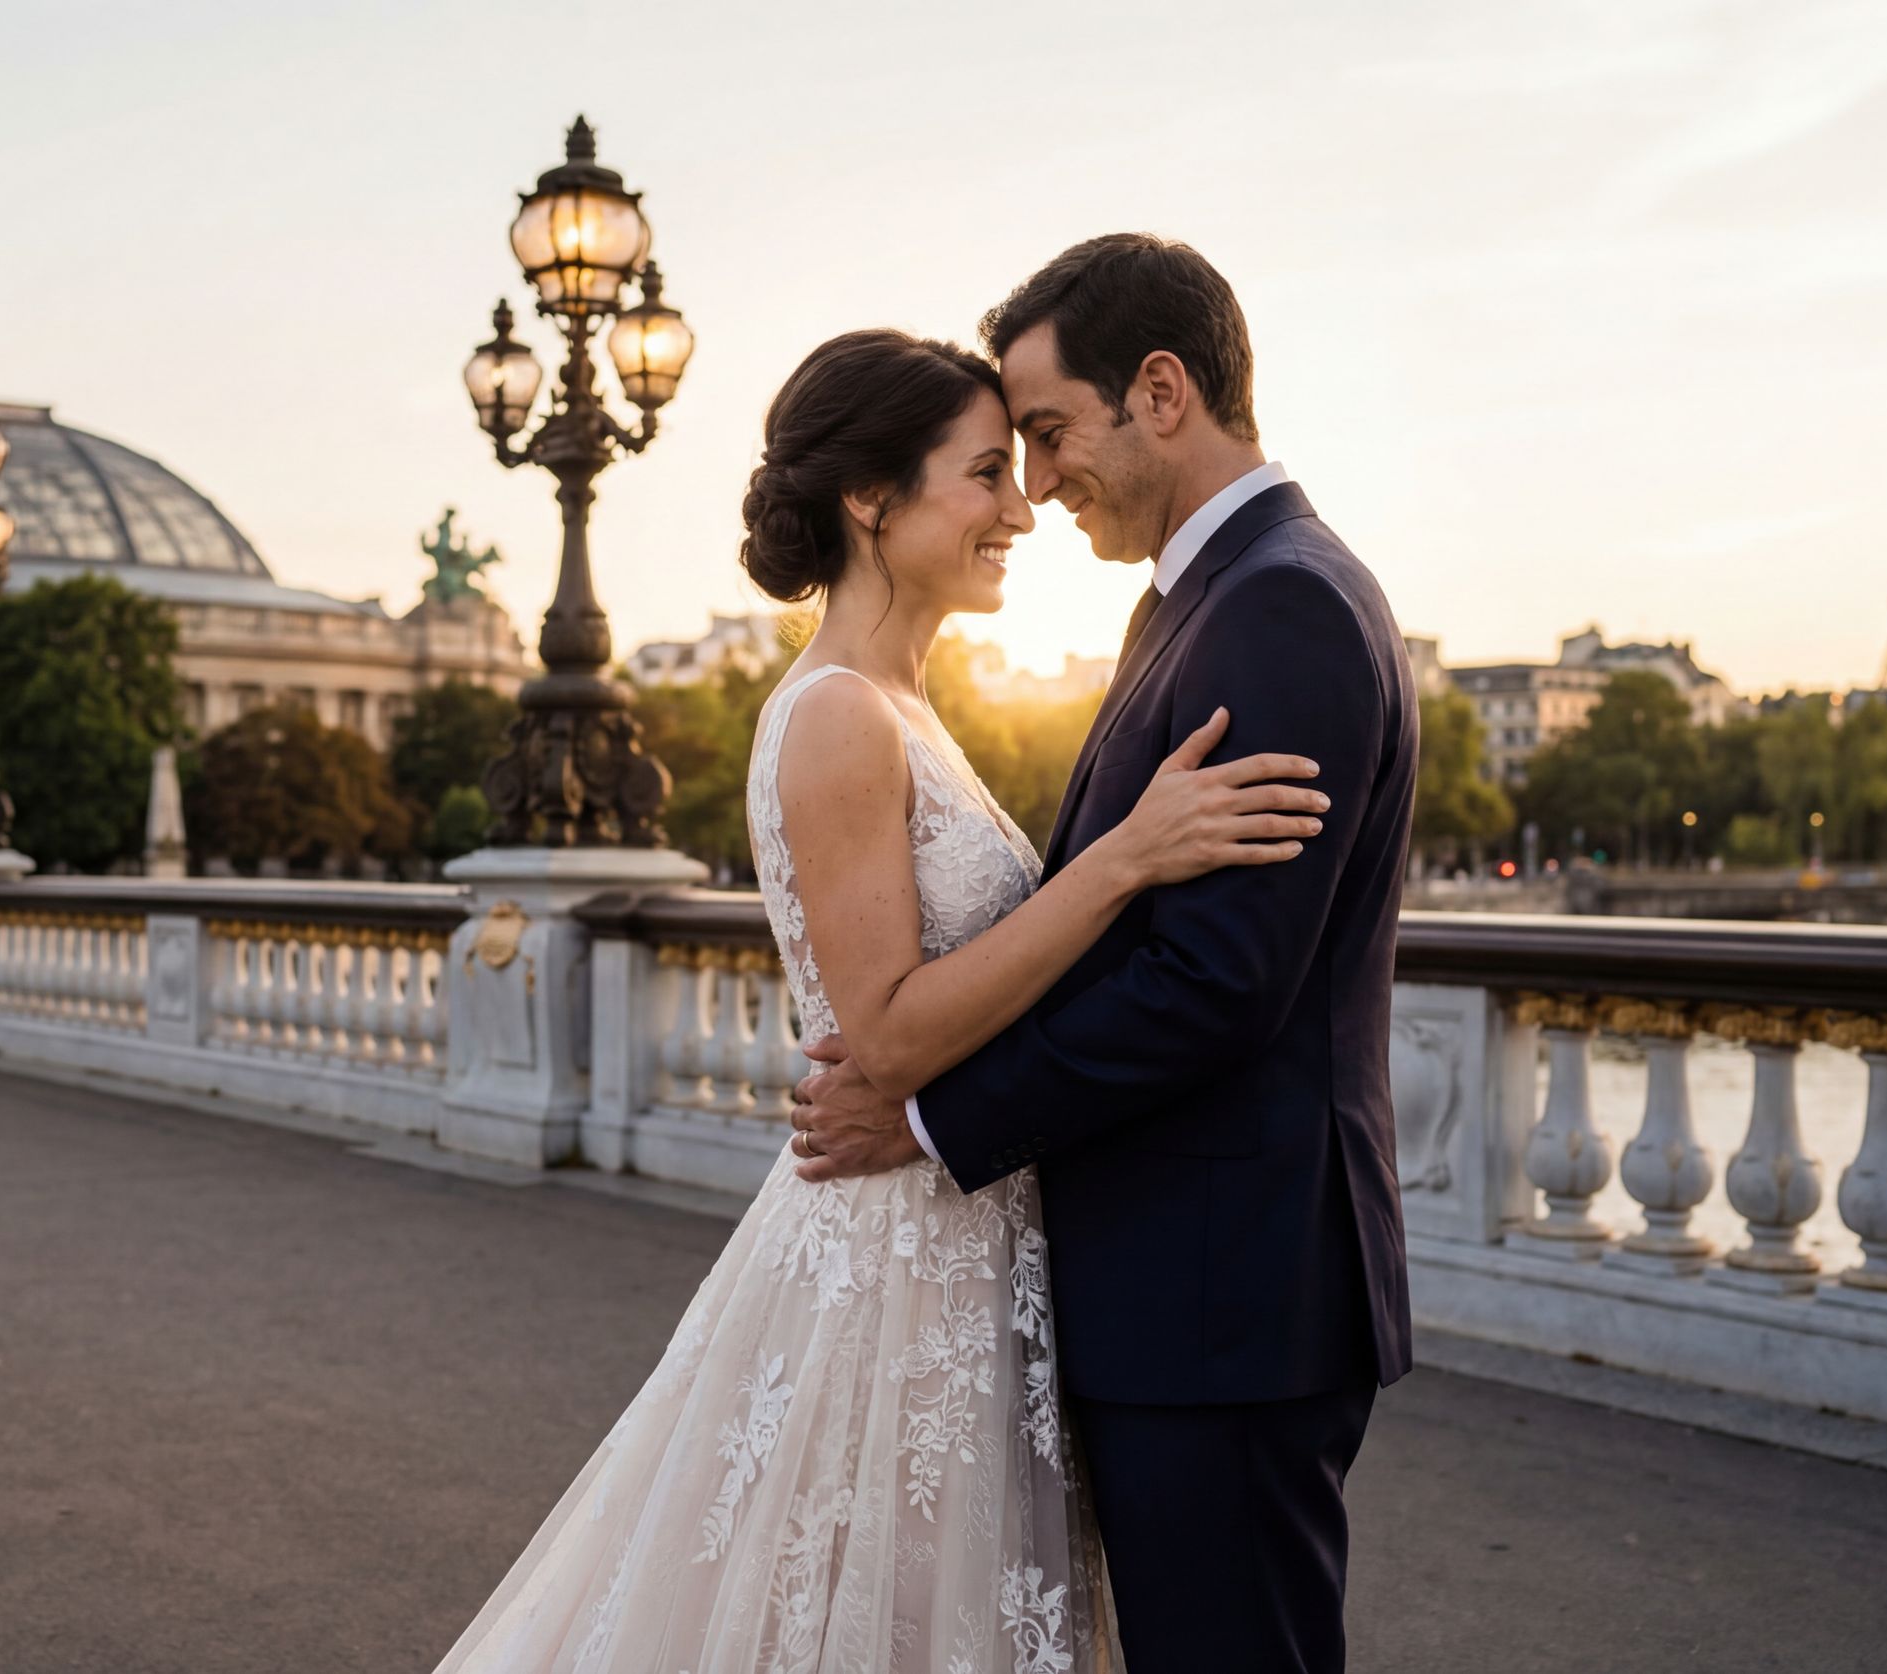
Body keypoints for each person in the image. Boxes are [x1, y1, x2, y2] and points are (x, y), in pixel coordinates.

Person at [434, 323, 1330, 1672]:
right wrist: (1128, 858)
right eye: (983, 474)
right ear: (873, 501)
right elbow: (895, 1032)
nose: (1019, 508)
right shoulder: (841, 712)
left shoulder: (903, 701)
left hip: (961, 1239)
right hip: (899, 1259)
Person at [790, 236, 1419, 1673]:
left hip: (1225, 1298)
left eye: (1053, 435)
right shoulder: (1212, 600)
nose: (1043, 480)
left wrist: (936, 1114)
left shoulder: (1279, 604)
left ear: (1160, 391)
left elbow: (1217, 980)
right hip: (1192, 1288)